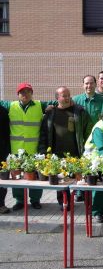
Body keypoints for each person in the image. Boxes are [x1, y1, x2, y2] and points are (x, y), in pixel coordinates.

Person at [0, 82, 56, 210]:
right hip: (16, 149)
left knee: (35, 177)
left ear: (32, 93)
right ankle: (20, 201)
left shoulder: (39, 105)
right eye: (22, 92)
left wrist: (54, 105)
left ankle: (35, 200)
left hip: (34, 149)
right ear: (18, 94)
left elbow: (57, 101)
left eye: (28, 92)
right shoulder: (10, 105)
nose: (25, 94)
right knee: (17, 177)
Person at [38, 86, 93, 210]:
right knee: (61, 181)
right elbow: (43, 134)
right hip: (57, 154)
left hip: (76, 153)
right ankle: (64, 203)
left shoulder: (79, 111)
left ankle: (87, 203)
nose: (67, 97)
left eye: (68, 95)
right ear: (57, 98)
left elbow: (89, 131)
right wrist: (43, 151)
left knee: (81, 179)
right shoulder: (50, 114)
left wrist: (88, 150)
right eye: (64, 95)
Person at [0, 105, 11, 214]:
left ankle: (1, 204)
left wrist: (6, 150)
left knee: (2, 181)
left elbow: (7, 132)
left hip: (1, 153)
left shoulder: (2, 111)